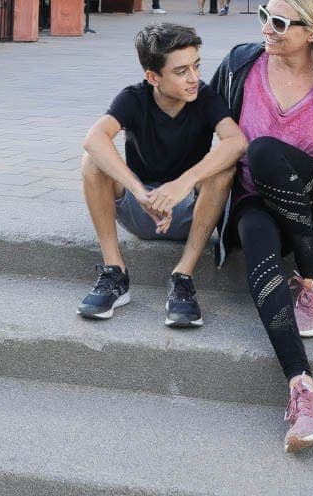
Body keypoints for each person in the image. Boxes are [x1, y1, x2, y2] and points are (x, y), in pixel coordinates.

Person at [208, 0, 313, 453]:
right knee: (254, 231)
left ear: (311, 32)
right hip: (256, 199)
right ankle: (304, 388)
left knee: (262, 151)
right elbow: (207, 123)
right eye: (264, 16)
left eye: (279, 22)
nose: (267, 29)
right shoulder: (242, 65)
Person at [79, 23, 246, 327]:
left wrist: (185, 183)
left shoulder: (206, 98)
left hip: (190, 214)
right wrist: (140, 193)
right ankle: (115, 273)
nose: (194, 78)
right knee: (92, 161)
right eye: (181, 72)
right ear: (153, 77)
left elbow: (237, 142)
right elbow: (94, 138)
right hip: (140, 210)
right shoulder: (134, 98)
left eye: (196, 66)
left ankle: (183, 277)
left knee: (223, 170)